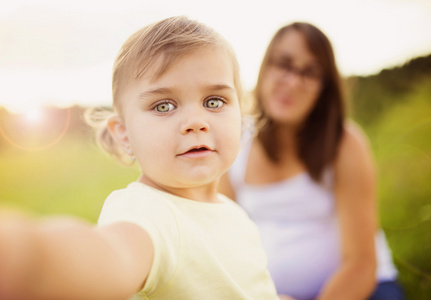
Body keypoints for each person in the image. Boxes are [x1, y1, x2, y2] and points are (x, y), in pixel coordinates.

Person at [0, 16, 280, 300]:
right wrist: (27, 257)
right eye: (163, 106)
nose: (196, 121)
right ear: (124, 134)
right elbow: (109, 257)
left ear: (240, 115)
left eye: (214, 101)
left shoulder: (232, 212)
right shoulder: (148, 212)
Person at [220, 22, 404, 300]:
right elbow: (225, 245)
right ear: (264, 68)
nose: (293, 82)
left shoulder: (345, 144)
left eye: (310, 72)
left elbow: (362, 264)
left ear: (324, 88)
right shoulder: (235, 141)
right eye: (283, 64)